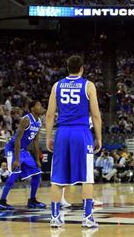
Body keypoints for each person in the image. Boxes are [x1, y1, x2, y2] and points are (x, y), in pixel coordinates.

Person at [46, 55, 102, 228]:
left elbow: (49, 114)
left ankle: (55, 217)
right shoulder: (88, 85)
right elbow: (96, 115)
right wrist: (99, 137)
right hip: (81, 132)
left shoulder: (57, 86)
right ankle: (87, 218)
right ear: (82, 68)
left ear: (67, 67)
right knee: (87, 178)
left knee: (57, 178)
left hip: (62, 132)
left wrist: (48, 136)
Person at [0, 101, 46, 210]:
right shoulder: (26, 119)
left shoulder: (38, 122)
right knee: (14, 174)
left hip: (23, 150)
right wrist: (17, 159)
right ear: (32, 109)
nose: (41, 106)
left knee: (37, 174)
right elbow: (17, 140)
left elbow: (35, 142)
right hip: (12, 148)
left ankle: (32, 200)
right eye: (38, 105)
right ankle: (1, 202)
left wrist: (37, 159)